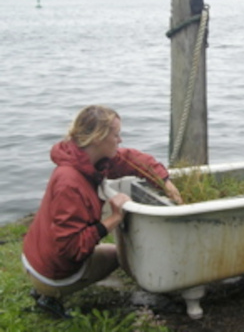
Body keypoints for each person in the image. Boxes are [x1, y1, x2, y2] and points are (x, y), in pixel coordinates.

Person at [22, 105, 183, 318]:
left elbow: (131, 159)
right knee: (119, 255)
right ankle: (51, 295)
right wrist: (113, 219)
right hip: (52, 273)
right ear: (98, 138)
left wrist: (165, 181)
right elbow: (71, 248)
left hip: (36, 257)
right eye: (116, 135)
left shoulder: (86, 160)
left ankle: (43, 290)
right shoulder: (69, 183)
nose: (120, 140)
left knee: (109, 250)